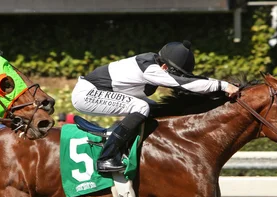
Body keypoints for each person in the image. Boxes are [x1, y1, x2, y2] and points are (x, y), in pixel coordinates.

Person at [71, 40, 239, 173]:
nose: (174, 76)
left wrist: (225, 85)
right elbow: (184, 84)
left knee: (152, 108)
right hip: (86, 94)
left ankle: (131, 146)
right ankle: (106, 158)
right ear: (165, 67)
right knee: (141, 107)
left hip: (99, 91)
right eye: (173, 72)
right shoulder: (151, 69)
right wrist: (222, 86)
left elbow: (191, 79)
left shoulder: (158, 63)